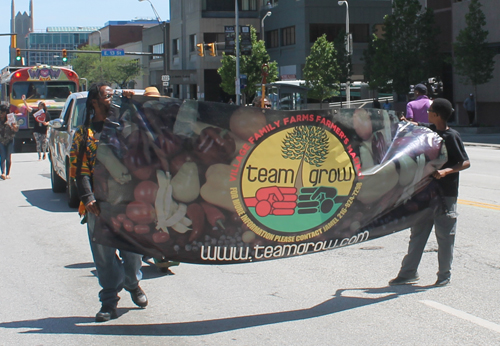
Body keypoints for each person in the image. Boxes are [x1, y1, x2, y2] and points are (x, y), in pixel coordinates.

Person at [69, 83, 148, 322]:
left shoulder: (123, 124)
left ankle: (133, 283)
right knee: (103, 254)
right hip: (99, 205)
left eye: (112, 94)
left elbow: (148, 134)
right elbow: (80, 170)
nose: (111, 97)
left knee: (133, 251)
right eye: (107, 95)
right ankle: (109, 300)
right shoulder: (85, 134)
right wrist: (88, 197)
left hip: (127, 201)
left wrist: (132, 105)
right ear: (94, 101)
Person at [389, 98, 470, 287]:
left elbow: (465, 162)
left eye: (430, 110)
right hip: (424, 193)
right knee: (417, 234)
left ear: (437, 114)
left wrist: (445, 171)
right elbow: (417, 124)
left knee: (444, 236)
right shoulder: (430, 130)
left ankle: (444, 276)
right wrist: (405, 121)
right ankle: (408, 273)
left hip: (444, 196)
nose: (427, 113)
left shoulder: (452, 136)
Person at [22, 95, 50, 160]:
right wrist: (24, 101)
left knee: (44, 143)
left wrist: (45, 123)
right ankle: (39, 155)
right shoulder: (36, 112)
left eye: (41, 106)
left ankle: (44, 153)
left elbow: (49, 121)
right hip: (36, 130)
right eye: (39, 106)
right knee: (38, 142)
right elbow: (28, 109)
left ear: (44, 107)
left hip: (44, 130)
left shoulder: (46, 113)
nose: (40, 107)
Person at [0, 105, 19, 180]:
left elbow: (16, 130)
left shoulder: (11, 119)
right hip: (1, 140)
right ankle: (3, 173)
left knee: (8, 157)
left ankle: (8, 173)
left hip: (10, 140)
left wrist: (13, 126)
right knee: (3, 156)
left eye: (2, 112)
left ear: (5, 113)